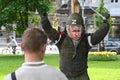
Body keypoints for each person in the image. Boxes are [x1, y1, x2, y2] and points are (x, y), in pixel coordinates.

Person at [40, 12, 110, 80]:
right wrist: (44, 19)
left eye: (78, 30)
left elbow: (99, 35)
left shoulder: (87, 40)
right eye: (74, 31)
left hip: (82, 76)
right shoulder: (61, 38)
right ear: (68, 29)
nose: (76, 34)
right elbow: (48, 30)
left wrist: (105, 23)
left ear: (82, 29)